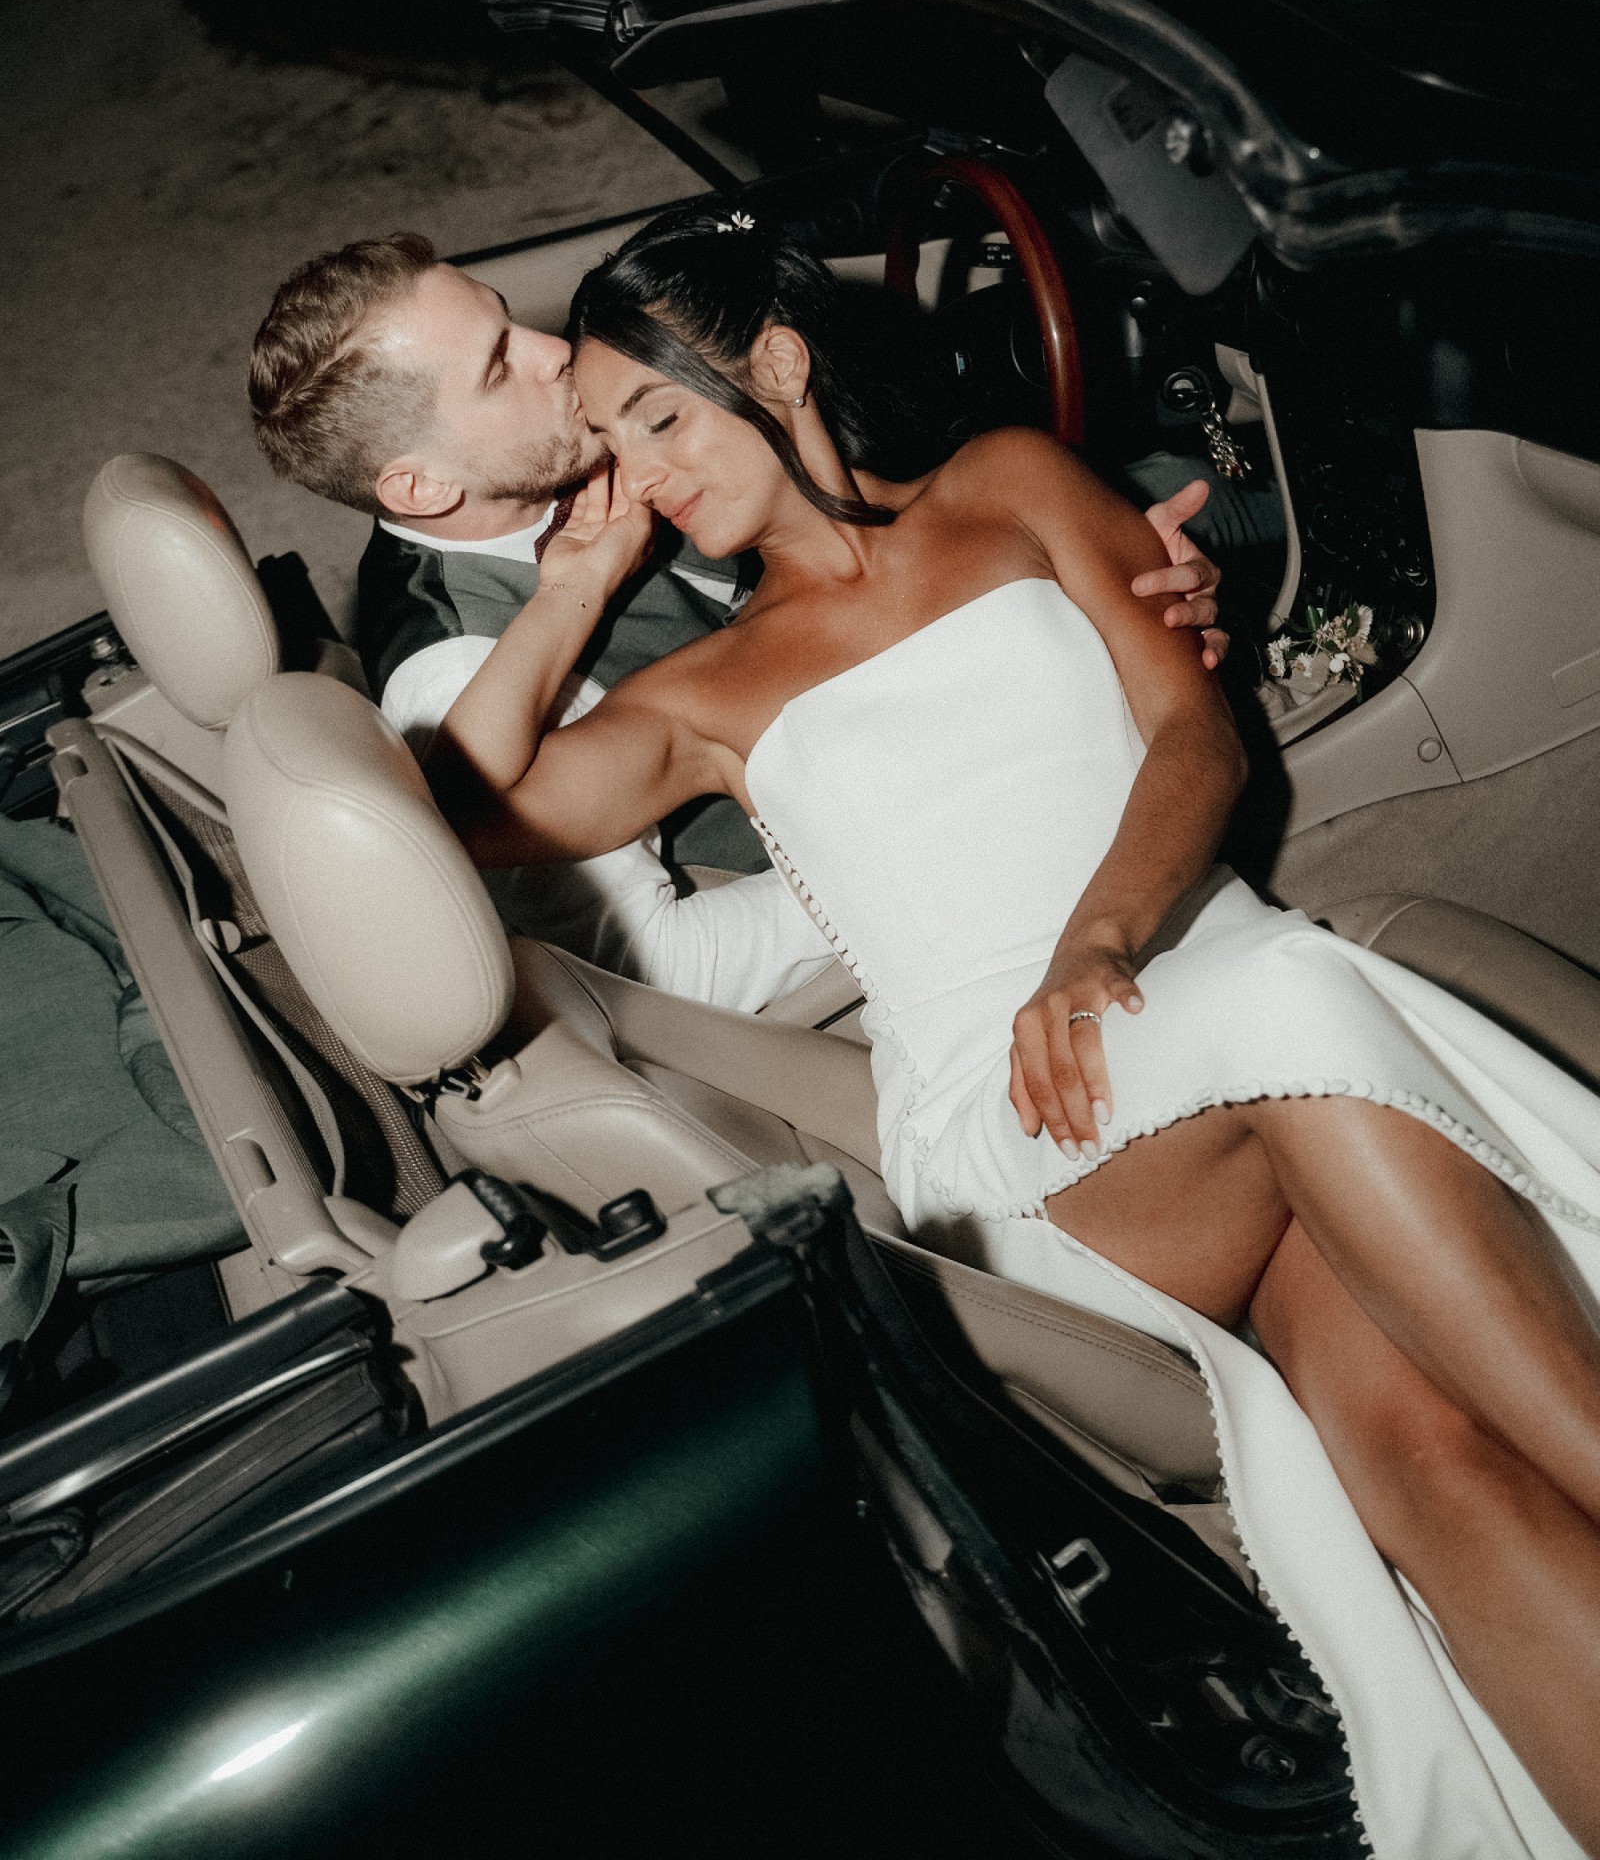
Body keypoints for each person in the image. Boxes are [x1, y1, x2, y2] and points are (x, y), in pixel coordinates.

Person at [428, 209, 1600, 1860]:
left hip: (1211, 1037)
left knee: (1439, 1470)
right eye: (615, 445)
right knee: (1295, 993)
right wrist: (567, 590)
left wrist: (1101, 937)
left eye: (664, 417)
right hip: (1033, 1122)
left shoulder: (1011, 484)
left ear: (777, 363)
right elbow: (459, 815)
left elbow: (1195, 729)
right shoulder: (704, 695)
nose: (648, 474)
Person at [247, 230, 1226, 1009]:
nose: (554, 353)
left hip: (960, 630)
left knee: (1193, 495)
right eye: (500, 366)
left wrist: (1084, 582)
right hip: (930, 916)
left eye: (510, 320)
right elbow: (667, 971)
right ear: (419, 488)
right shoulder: (458, 673)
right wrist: (952, 833)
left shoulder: (558, 451)